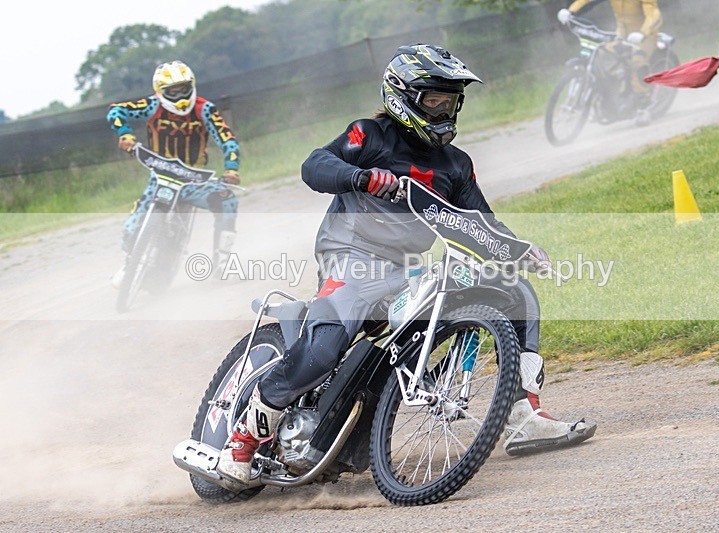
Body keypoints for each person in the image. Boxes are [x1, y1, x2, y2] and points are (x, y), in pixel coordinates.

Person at [217, 44, 596, 484]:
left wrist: (520, 251)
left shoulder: (457, 165)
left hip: (405, 269)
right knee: (323, 350)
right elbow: (314, 165)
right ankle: (242, 441)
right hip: (351, 257)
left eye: (450, 102)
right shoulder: (369, 135)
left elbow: (482, 224)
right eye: (434, 101)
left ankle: (523, 414)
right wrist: (360, 177)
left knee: (517, 292)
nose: (443, 112)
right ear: (403, 95)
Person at [107, 60, 242, 284]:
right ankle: (130, 263)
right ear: (161, 91)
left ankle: (222, 260)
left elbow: (226, 138)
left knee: (227, 200)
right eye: (173, 91)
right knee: (134, 222)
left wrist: (231, 168)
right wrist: (125, 134)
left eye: (183, 89)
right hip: (160, 176)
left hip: (194, 179)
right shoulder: (152, 105)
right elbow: (116, 110)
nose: (180, 96)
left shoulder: (204, 109)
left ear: (192, 86)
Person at [559, 0, 663, 125]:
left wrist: (643, 33)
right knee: (602, 56)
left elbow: (654, 15)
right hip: (622, 36)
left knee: (637, 62)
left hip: (645, 37)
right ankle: (608, 100)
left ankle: (643, 107)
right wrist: (570, 11)